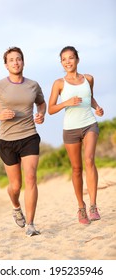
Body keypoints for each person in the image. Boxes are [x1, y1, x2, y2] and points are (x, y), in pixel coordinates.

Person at [0, 47, 46, 236]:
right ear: (6, 65)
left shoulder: (33, 85)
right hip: (7, 141)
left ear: (23, 62)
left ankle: (31, 224)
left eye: (18, 59)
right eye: (11, 60)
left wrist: (40, 113)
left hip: (29, 136)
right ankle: (16, 206)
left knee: (31, 178)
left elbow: (41, 102)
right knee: (15, 186)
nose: (15, 62)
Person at [48, 46, 104, 225]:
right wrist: (67, 102)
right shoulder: (59, 83)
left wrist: (97, 107)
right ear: (61, 63)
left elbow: (90, 98)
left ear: (77, 60)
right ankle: (81, 208)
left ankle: (93, 206)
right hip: (70, 129)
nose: (68, 62)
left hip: (89, 124)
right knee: (76, 169)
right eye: (64, 59)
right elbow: (50, 109)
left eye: (71, 58)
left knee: (89, 160)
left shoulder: (88, 78)